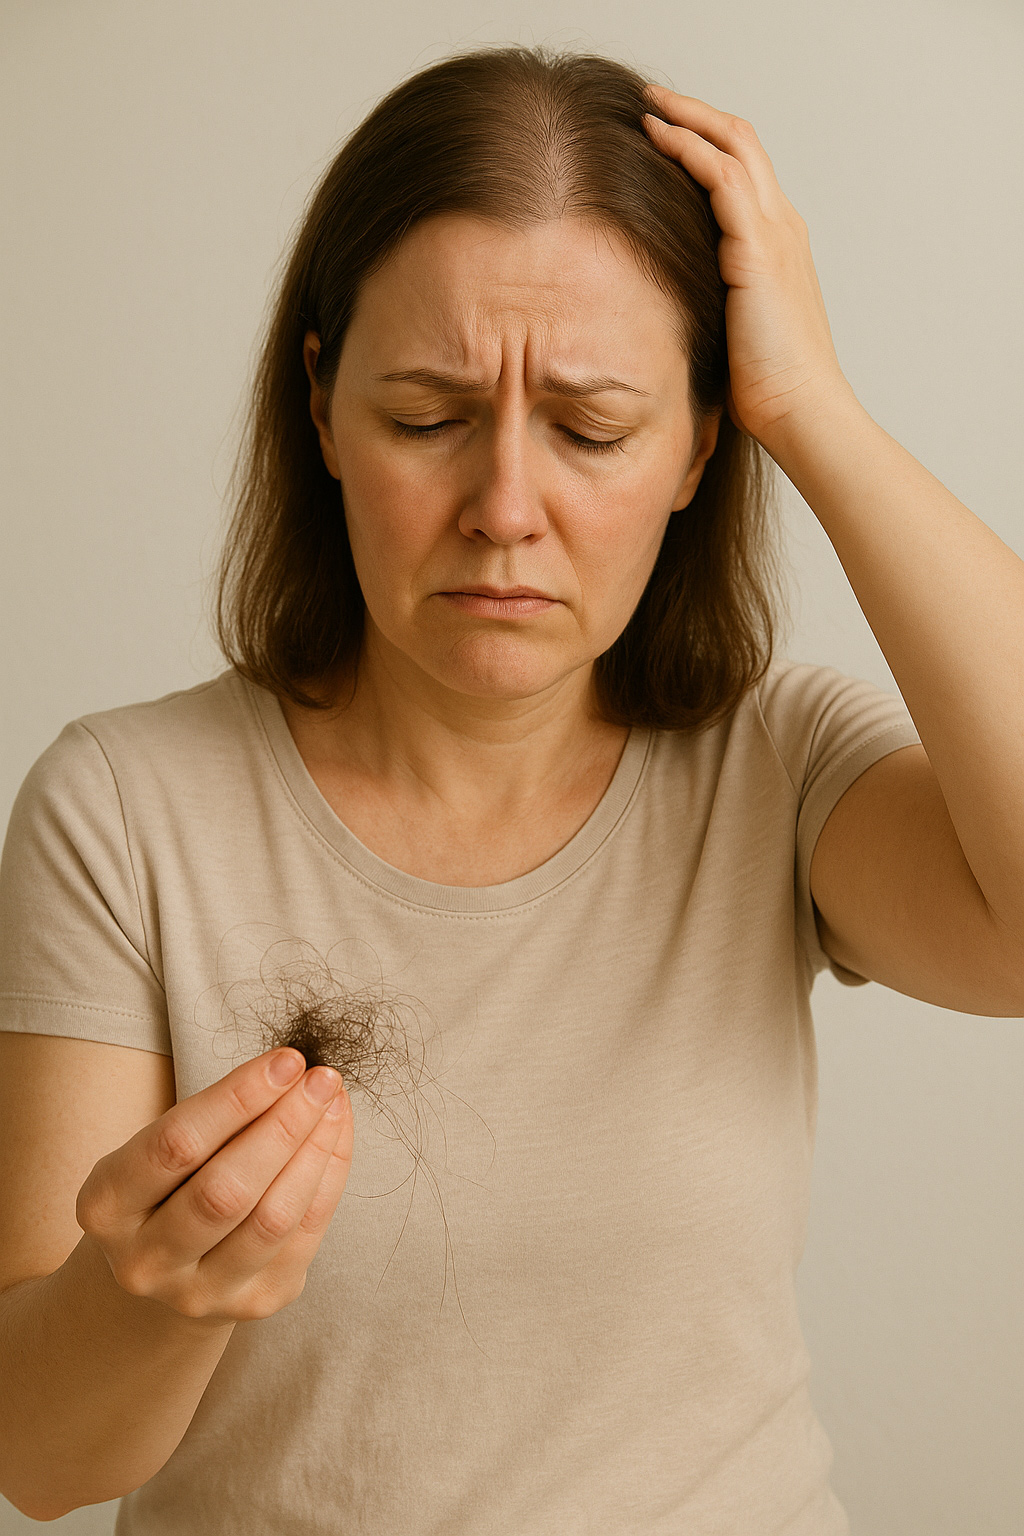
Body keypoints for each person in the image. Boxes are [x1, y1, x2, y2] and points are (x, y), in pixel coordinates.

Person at [0, 42, 1021, 1536]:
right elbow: (40, 1460)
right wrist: (151, 1296)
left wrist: (817, 409)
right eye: (426, 417)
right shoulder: (122, 808)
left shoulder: (778, 763)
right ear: (322, 405)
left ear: (698, 447)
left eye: (594, 429)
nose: (505, 510)